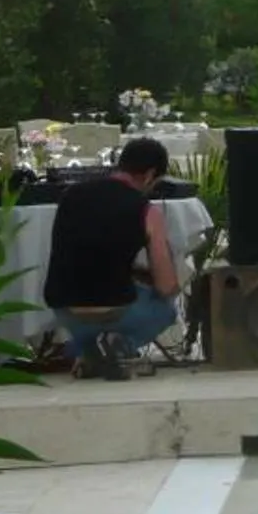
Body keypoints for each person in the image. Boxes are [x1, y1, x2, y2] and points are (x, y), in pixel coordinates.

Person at [42, 138, 181, 380]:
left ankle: (88, 352)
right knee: (166, 309)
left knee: (86, 318)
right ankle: (120, 344)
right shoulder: (146, 210)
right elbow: (166, 284)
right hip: (114, 308)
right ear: (149, 175)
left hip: (65, 309)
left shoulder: (70, 196)